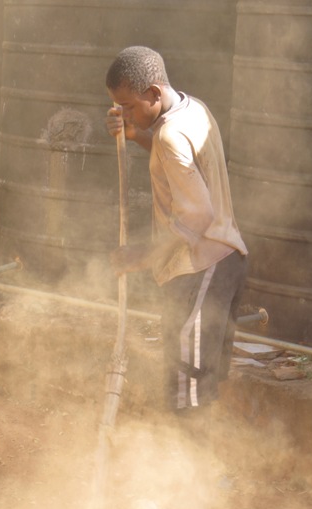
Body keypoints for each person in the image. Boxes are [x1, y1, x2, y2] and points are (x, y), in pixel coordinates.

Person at [105, 46, 248, 429]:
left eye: (129, 106)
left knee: (186, 390)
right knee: (199, 385)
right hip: (226, 261)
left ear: (153, 92)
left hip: (200, 266)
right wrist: (135, 134)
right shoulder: (193, 109)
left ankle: (190, 483)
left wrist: (146, 254)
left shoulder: (169, 134)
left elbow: (197, 215)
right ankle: (203, 477)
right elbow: (176, 157)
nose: (124, 113)